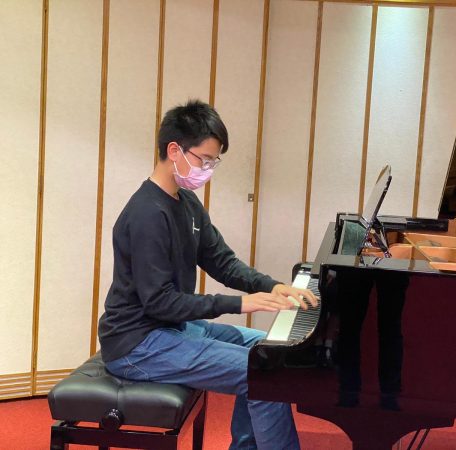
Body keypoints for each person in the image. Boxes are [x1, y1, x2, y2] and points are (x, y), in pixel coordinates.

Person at [98, 99, 317, 450]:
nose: (208, 169)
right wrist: (239, 304)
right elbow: (160, 302)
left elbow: (222, 262)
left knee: (267, 350)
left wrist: (273, 286)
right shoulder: (147, 214)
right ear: (175, 150)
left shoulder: (186, 203)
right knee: (263, 373)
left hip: (170, 329)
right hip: (137, 343)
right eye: (205, 159)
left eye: (214, 162)